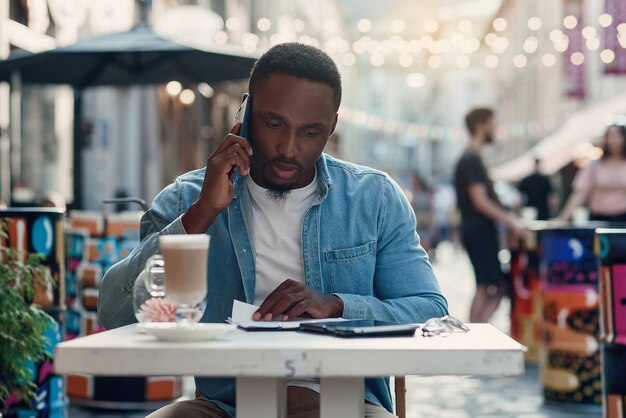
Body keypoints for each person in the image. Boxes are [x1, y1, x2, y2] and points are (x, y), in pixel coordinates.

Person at [98, 43, 448, 418]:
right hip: (227, 406)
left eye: (310, 131)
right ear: (246, 112)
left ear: (332, 127)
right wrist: (202, 214)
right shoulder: (188, 197)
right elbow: (115, 313)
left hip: (348, 405)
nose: (288, 148)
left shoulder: (373, 198)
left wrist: (337, 305)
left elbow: (431, 312)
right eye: (274, 123)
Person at [453, 107, 527, 324]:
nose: (496, 128)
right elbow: (480, 200)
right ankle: (476, 333)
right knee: (488, 286)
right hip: (478, 230)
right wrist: (511, 221)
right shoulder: (471, 159)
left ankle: (477, 331)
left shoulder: (471, 158)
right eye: (492, 124)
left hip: (477, 230)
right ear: (480, 126)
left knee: (491, 286)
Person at [557, 124, 626, 223]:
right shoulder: (595, 165)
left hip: (623, 219)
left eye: (617, 136)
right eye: (610, 136)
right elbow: (580, 193)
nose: (613, 141)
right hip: (598, 218)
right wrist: (562, 219)